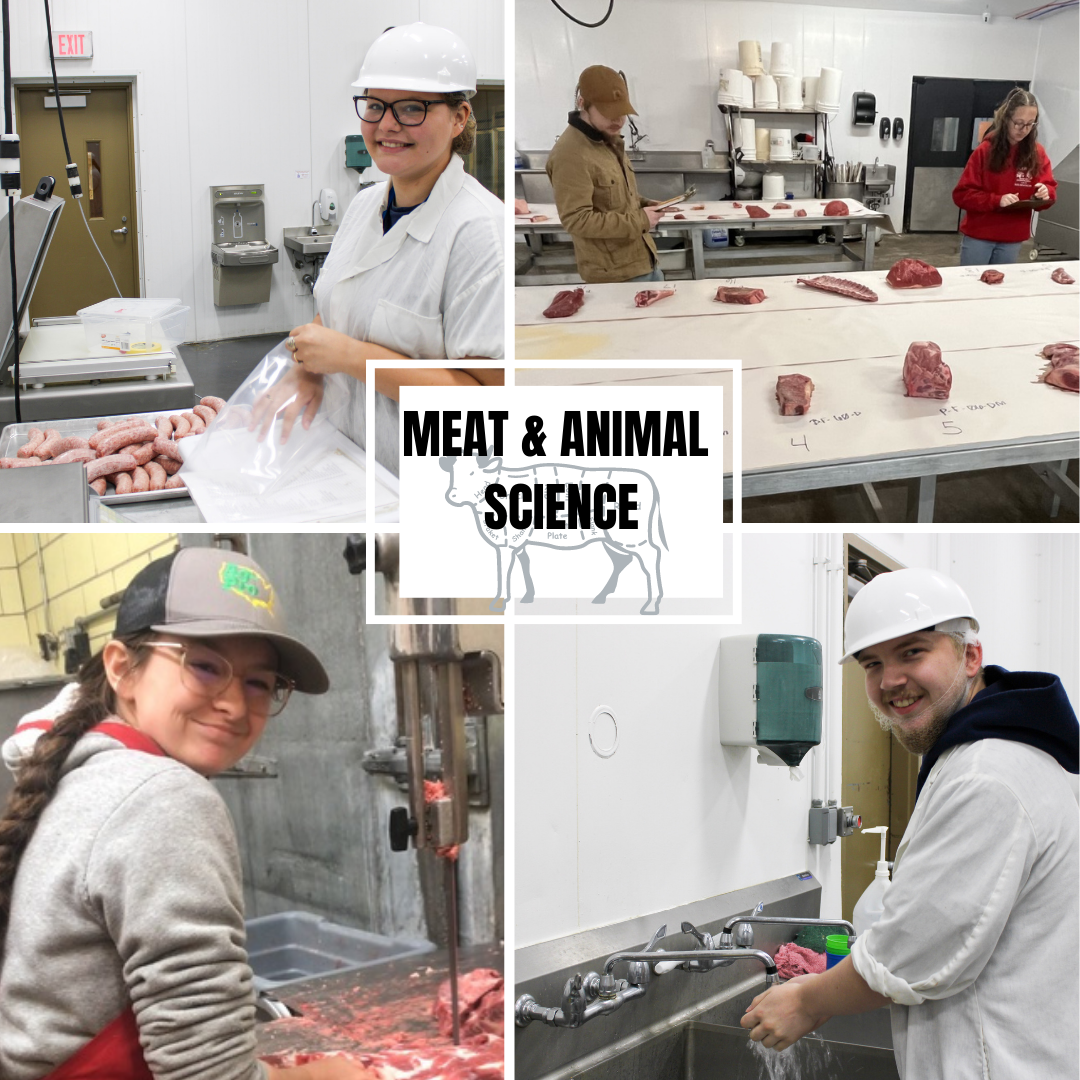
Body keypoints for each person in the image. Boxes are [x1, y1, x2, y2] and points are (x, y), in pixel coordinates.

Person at [0, 547, 376, 1080]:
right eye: (204, 666)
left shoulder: (81, 773)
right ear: (122, 669)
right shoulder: (162, 796)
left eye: (259, 683)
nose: (234, 704)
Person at [741, 567, 1079, 1080]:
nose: (890, 681)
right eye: (872, 664)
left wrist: (810, 1000)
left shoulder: (986, 777)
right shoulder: (994, 755)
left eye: (913, 652)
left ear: (970, 656)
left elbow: (917, 952)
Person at [252, 22, 505, 476]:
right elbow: (338, 306)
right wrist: (309, 367)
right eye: (374, 105)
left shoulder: (478, 231)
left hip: (431, 490)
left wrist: (349, 357)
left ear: (460, 117)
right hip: (348, 466)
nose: (387, 124)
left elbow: (487, 400)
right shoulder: (367, 203)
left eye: (412, 108)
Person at [546, 66, 665, 284]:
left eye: (622, 112)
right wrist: (640, 220)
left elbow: (614, 197)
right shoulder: (570, 153)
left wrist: (645, 204)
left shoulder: (607, 140)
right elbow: (576, 220)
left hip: (643, 260)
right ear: (582, 104)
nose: (618, 120)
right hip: (615, 275)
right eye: (607, 112)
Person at [952, 88, 1057, 265]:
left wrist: (1046, 193)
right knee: (973, 287)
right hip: (981, 235)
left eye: (1030, 124)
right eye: (1018, 123)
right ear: (1006, 118)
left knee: (1001, 288)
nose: (1023, 129)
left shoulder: (1037, 153)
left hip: (1012, 238)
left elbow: (1050, 189)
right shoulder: (985, 151)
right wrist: (996, 200)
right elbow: (962, 195)